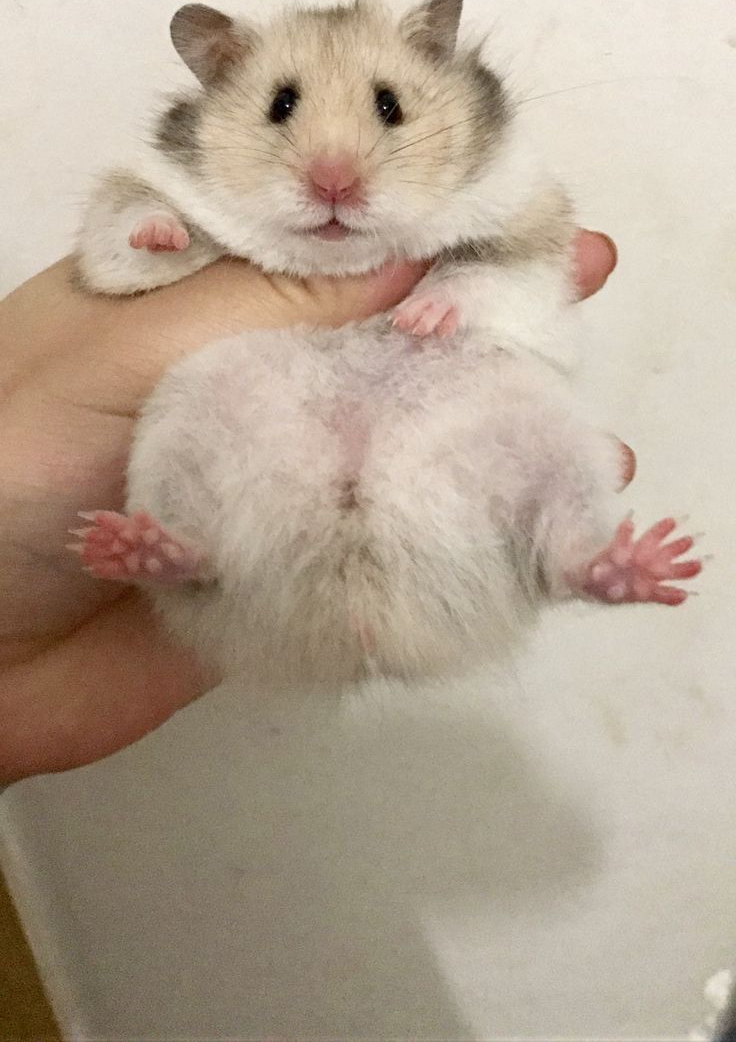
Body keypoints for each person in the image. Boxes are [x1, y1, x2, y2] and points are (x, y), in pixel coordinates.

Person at [0, 232, 624, 783]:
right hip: (278, 522)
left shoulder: (501, 200)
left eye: (385, 109)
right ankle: (193, 550)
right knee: (202, 385)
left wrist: (470, 288)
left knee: (535, 413)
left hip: (435, 513)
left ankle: (571, 555)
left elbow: (530, 274)